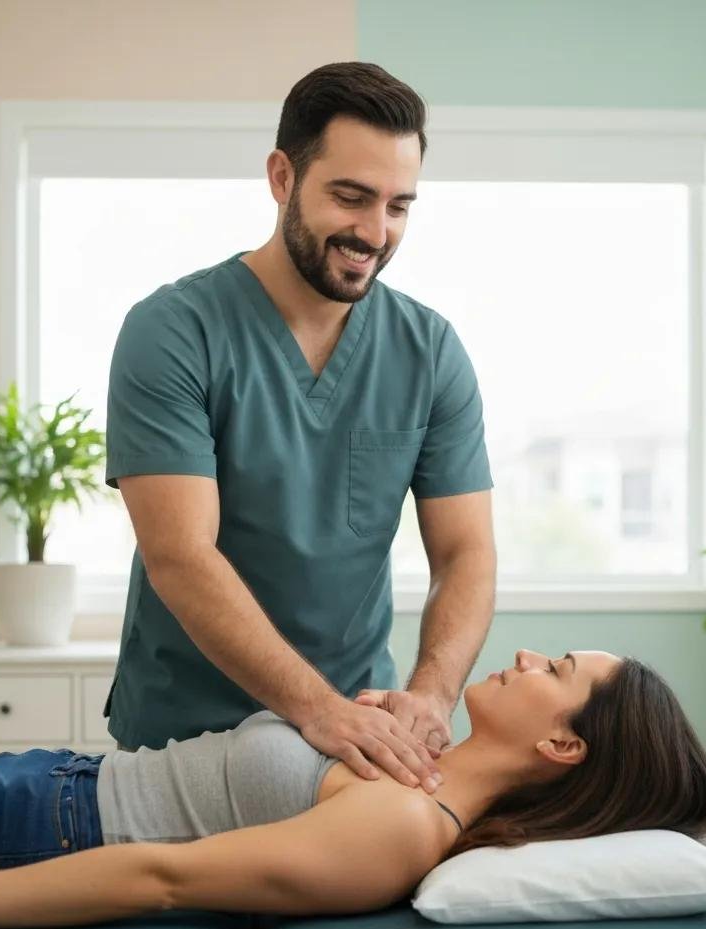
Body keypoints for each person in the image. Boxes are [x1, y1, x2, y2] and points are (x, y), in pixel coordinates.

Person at [101, 61, 496, 798]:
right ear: (282, 176)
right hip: (182, 737)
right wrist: (315, 709)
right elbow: (180, 555)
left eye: (399, 206)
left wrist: (431, 698)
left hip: (352, 746)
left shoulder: (430, 350)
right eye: (350, 197)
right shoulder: (173, 331)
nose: (374, 232)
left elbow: (466, 551)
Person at [0, 650, 706, 929]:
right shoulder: (413, 765)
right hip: (55, 776)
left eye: (557, 670)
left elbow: (160, 877)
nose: (530, 656)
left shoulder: (401, 825)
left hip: (34, 826)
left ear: (563, 745)